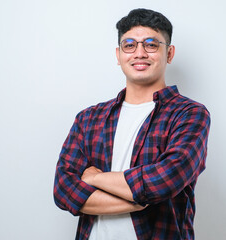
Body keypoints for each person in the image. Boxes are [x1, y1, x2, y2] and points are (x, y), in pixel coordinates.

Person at [53, 8, 211, 240]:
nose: (139, 53)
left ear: (169, 53)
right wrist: (136, 198)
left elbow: (166, 179)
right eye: (130, 45)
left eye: (151, 44)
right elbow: (64, 190)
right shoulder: (88, 119)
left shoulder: (189, 114)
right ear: (118, 55)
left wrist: (94, 178)